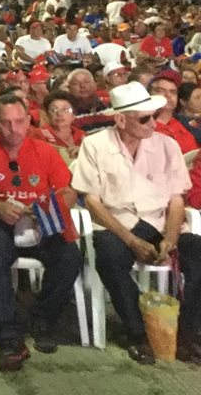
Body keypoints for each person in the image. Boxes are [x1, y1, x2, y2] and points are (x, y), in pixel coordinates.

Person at [72, 81, 201, 364]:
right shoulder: (95, 145)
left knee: (198, 255)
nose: (153, 123)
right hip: (115, 225)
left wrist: (171, 237)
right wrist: (131, 240)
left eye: (154, 115)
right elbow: (92, 202)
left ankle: (188, 333)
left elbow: (177, 199)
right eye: (145, 118)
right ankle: (139, 332)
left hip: (158, 222)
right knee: (109, 255)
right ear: (120, 119)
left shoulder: (167, 145)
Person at [0, 94, 82, 372]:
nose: (13, 129)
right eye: (5, 123)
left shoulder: (46, 152)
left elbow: (68, 191)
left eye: (18, 122)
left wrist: (48, 206)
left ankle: (43, 318)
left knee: (70, 255)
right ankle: (9, 335)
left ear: (28, 121)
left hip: (40, 219)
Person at [38, 91, 84, 163]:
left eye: (65, 110)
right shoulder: (39, 135)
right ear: (47, 115)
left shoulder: (83, 136)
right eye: (54, 110)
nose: (59, 114)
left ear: (73, 115)